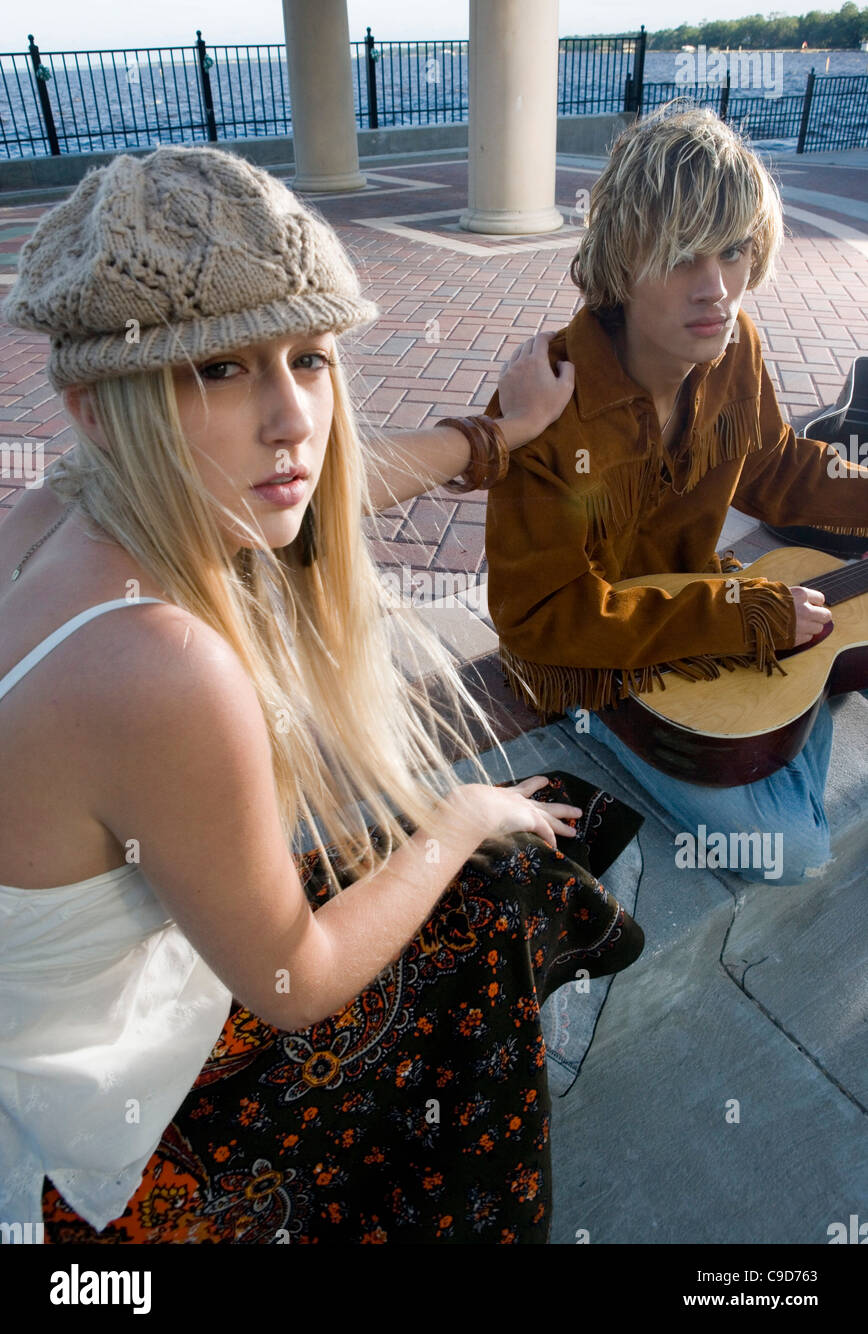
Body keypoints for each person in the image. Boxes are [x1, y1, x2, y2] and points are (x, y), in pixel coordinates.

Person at [0, 143, 644, 1244]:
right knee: (483, 891)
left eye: (309, 357)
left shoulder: (61, 510)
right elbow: (294, 984)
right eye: (218, 368)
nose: (293, 417)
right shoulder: (159, 666)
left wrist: (497, 438)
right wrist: (459, 812)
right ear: (99, 406)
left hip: (74, 1020)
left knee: (471, 876)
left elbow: (336, 475)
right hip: (104, 1133)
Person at [483, 105, 868, 886]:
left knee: (813, 661)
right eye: (683, 254)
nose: (717, 288)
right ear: (622, 259)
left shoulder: (735, 348)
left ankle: (779, 715)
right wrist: (735, 620)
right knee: (793, 847)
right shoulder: (549, 407)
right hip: (583, 666)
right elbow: (541, 614)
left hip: (692, 615)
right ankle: (738, 722)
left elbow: (774, 468)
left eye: (732, 251)